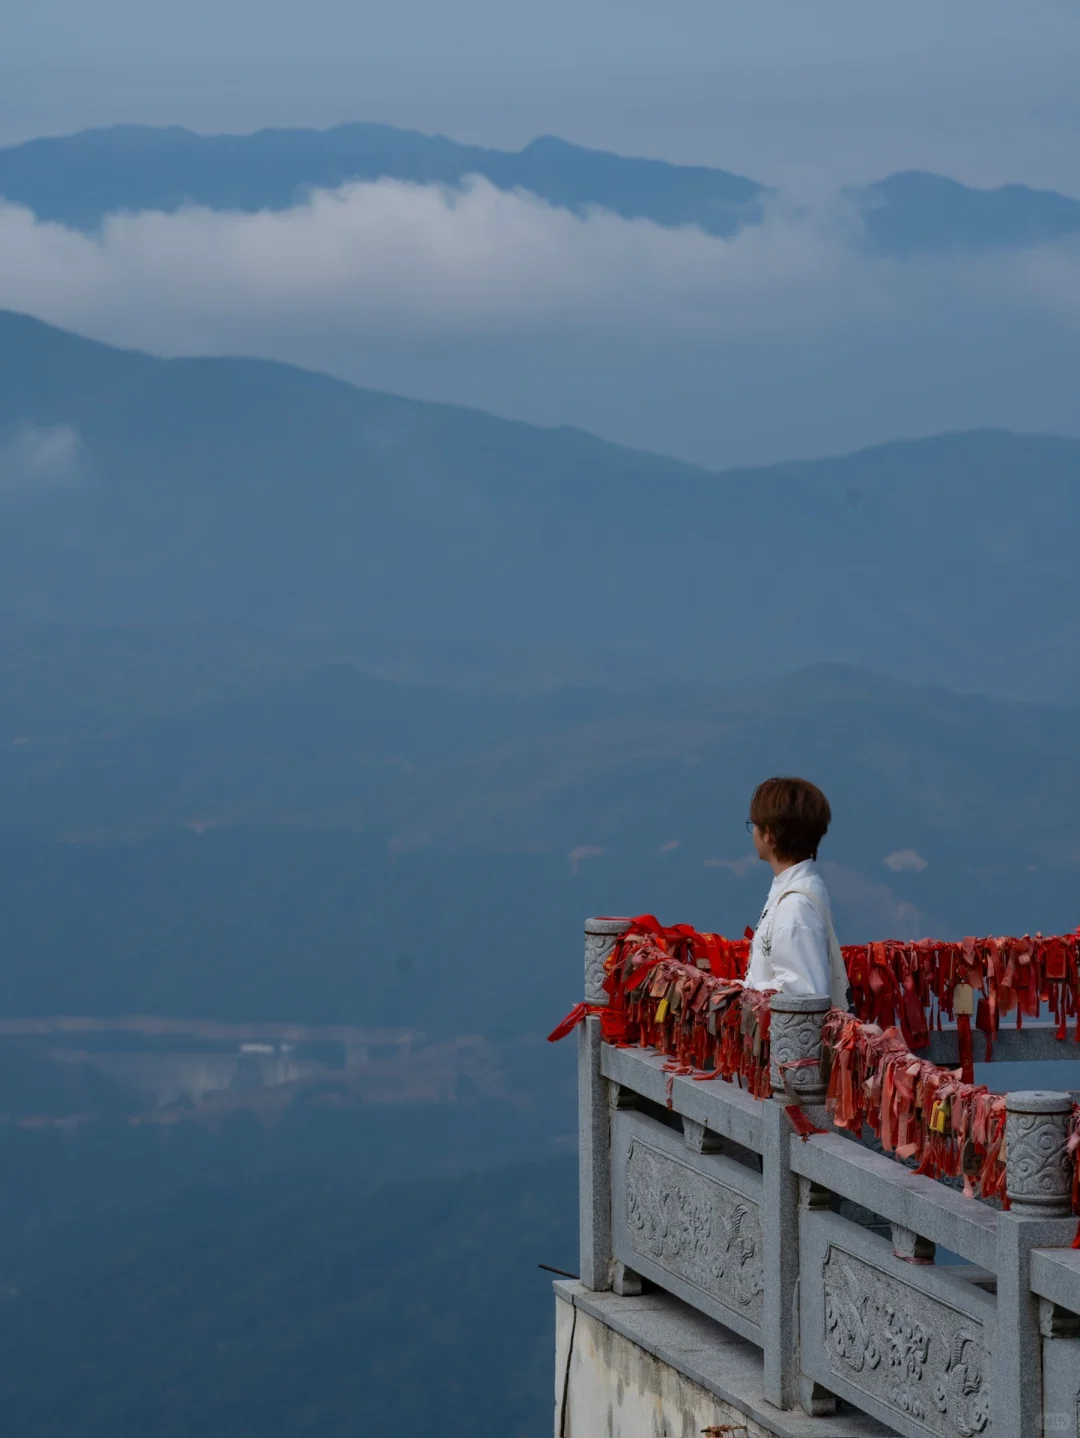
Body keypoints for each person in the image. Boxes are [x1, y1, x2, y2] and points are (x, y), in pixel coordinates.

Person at [742, 775, 851, 1009]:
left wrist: (735, 996)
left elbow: (803, 999)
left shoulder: (795, 907)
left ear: (769, 834)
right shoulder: (799, 889)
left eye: (755, 825)